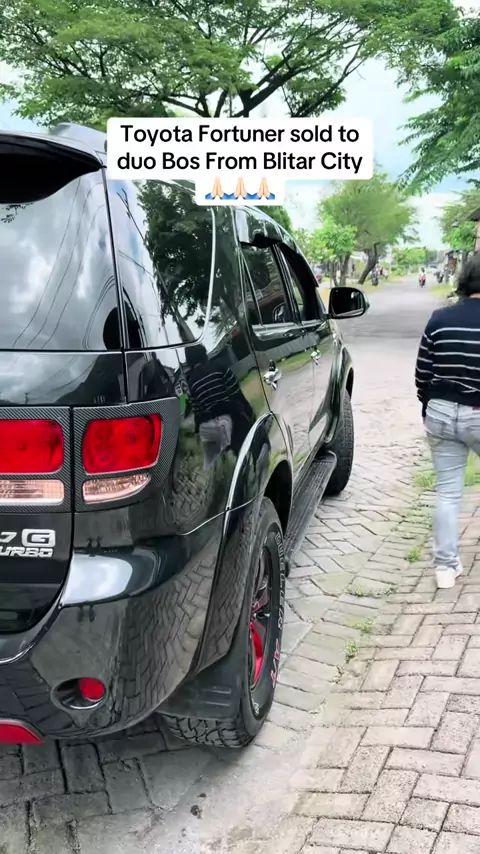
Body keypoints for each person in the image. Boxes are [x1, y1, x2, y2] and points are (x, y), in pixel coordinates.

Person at [415, 254, 480, 588]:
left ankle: (445, 568)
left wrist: (429, 407)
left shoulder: (440, 319)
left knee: (448, 493)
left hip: (440, 412)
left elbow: (422, 373)